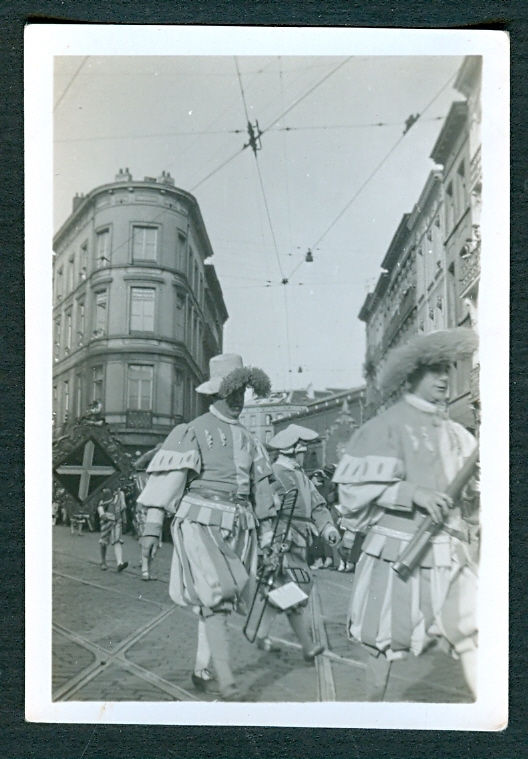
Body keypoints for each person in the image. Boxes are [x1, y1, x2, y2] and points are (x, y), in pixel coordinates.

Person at [333, 328, 479, 701]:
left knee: (471, 631)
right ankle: (372, 715)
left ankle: (490, 713)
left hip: (452, 554)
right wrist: (412, 493)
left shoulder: (459, 435)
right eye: (434, 370)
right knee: (383, 640)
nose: (444, 377)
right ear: (412, 376)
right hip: (398, 551)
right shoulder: (384, 427)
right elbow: (352, 493)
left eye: (447, 368)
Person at [137, 354, 277, 701]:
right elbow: (169, 480)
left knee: (220, 602)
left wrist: (270, 534)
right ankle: (224, 677)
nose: (238, 401)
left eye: (242, 392)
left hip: (241, 527)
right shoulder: (193, 430)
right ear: (215, 394)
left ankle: (203, 668)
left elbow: (261, 487)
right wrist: (152, 528)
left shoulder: (250, 439)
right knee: (217, 595)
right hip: (201, 522)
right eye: (232, 393)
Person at [254, 424, 340, 659]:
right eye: (302, 450)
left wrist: (327, 527)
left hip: (300, 540)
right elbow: (266, 507)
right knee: (300, 585)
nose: (305, 454)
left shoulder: (301, 476)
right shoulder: (274, 473)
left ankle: (263, 633)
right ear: (293, 450)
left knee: (288, 589)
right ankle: (306, 645)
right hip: (284, 539)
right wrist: (268, 536)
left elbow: (318, 504)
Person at [133, 444, 163, 580]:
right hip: (150, 509)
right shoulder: (151, 477)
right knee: (151, 539)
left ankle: (146, 569)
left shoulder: (141, 475)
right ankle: (145, 569)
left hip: (144, 508)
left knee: (148, 539)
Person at [98, 487, 129, 572]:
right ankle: (103, 561)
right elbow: (100, 505)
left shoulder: (120, 494)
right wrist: (102, 514)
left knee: (117, 540)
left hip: (117, 520)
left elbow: (123, 507)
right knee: (103, 541)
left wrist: (124, 521)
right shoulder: (106, 490)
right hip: (107, 520)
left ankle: (119, 563)